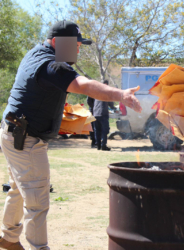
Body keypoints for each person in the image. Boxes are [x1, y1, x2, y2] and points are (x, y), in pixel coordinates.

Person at [0, 20, 141, 250]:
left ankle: (9, 237)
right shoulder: (53, 65)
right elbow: (84, 85)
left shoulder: (35, 53)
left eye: (78, 45)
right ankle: (37, 247)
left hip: (11, 133)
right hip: (26, 139)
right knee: (37, 199)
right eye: (74, 44)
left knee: (18, 187)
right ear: (56, 43)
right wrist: (120, 94)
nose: (77, 49)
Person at [93, 80, 115, 151]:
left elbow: (90, 101)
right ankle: (103, 146)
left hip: (95, 113)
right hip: (103, 114)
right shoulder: (107, 92)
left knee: (97, 130)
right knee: (104, 130)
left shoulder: (96, 92)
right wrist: (113, 108)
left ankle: (98, 145)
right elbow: (111, 103)